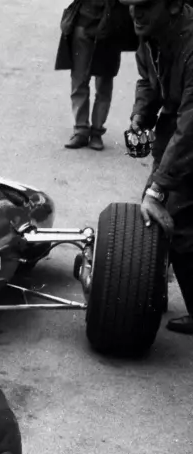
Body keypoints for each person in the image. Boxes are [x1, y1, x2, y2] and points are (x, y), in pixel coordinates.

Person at [122, 0, 193, 334]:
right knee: (157, 213)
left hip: (188, 130)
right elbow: (149, 81)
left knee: (178, 223)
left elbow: (192, 127)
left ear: (174, 5)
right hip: (176, 127)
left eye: (146, 5)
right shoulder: (150, 35)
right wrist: (142, 113)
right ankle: (151, 290)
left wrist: (159, 187)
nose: (136, 13)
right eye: (132, 4)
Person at [55, 0, 136, 150]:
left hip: (111, 26)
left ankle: (97, 132)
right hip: (84, 23)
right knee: (79, 80)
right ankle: (80, 130)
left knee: (104, 82)